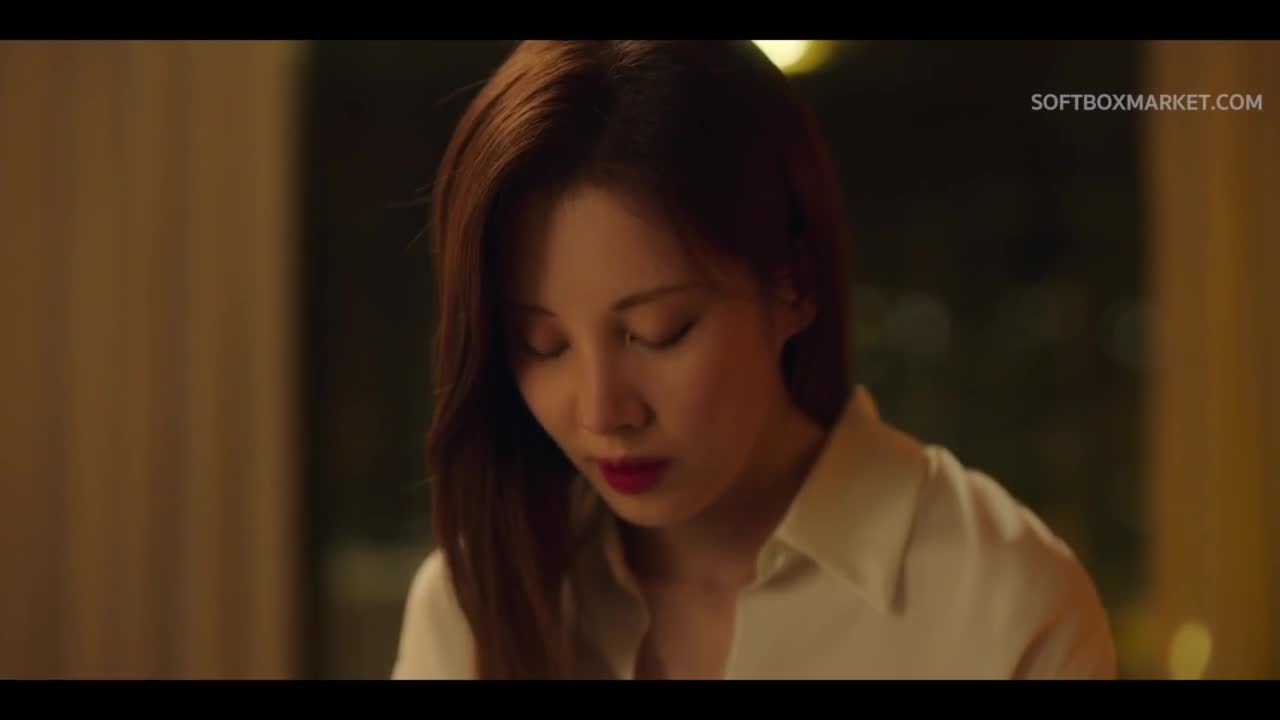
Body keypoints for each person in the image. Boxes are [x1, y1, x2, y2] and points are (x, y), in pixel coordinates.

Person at [391, 40, 1116, 680]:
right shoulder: (474, 602)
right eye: (543, 344)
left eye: (659, 331)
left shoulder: (997, 603)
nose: (604, 411)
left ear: (794, 284)